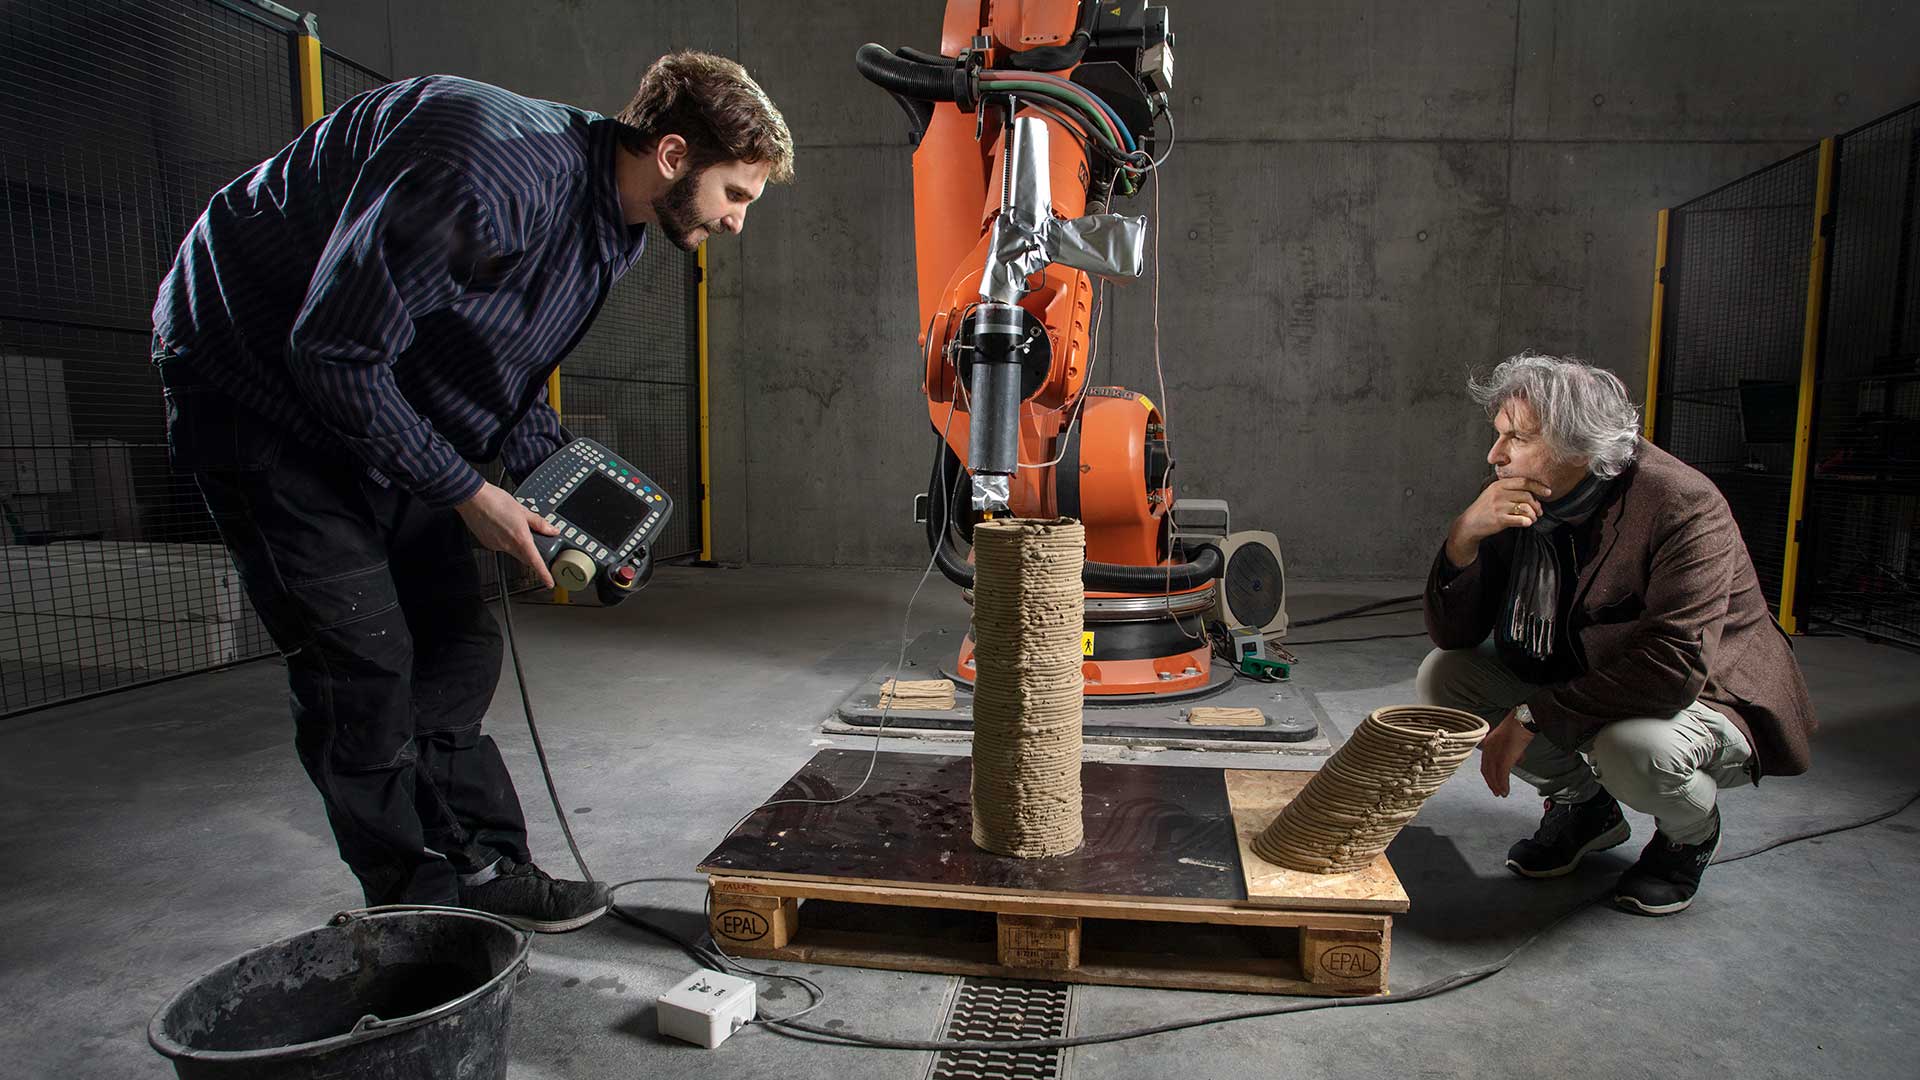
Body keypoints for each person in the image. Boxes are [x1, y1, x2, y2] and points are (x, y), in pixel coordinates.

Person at [150, 53, 793, 931]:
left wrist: (572, 511)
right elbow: (331, 352)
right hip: (259, 389)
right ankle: (419, 918)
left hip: (380, 389)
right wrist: (464, 491)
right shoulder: (490, 172)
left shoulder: (617, 226)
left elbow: (502, 380)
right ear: (675, 154)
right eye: (737, 194)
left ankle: (489, 870)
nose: (737, 221)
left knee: (456, 647)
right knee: (365, 668)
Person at [1417, 352, 1815, 915]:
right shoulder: (1522, 494)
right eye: (1498, 435)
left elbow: (1672, 667)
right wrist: (1464, 539)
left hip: (1708, 691)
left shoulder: (1682, 503)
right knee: (1445, 676)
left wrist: (1532, 716)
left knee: (1633, 750)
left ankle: (1688, 835)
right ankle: (1586, 809)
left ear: (1580, 446)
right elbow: (1456, 636)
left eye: (1518, 438)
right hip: (1588, 669)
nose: (1495, 455)